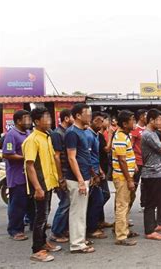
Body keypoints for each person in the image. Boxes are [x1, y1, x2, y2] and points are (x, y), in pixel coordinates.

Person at [23, 107, 61, 262]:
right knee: (40, 218)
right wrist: (38, 188)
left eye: (49, 118)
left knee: (45, 215)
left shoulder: (47, 137)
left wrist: (57, 180)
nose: (49, 121)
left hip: (49, 182)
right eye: (46, 118)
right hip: (39, 185)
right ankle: (37, 249)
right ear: (37, 121)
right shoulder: (32, 140)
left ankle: (43, 243)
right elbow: (29, 166)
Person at [65, 103, 95, 254]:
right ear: (77, 115)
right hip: (77, 179)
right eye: (87, 113)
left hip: (84, 176)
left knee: (82, 211)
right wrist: (81, 180)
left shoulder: (83, 131)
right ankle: (76, 244)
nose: (90, 116)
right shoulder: (72, 133)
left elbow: (85, 154)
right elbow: (72, 158)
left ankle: (80, 239)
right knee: (77, 212)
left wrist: (90, 174)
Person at [2, 110, 33, 241]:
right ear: (18, 121)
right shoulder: (11, 135)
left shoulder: (28, 133)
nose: (29, 121)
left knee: (31, 202)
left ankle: (33, 222)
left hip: (29, 175)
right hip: (17, 175)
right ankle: (15, 230)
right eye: (26, 118)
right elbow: (7, 154)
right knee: (17, 204)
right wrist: (25, 157)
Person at [140, 109, 161, 240]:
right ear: (151, 120)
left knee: (156, 200)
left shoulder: (152, 133)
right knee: (151, 203)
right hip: (151, 173)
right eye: (158, 119)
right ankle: (149, 231)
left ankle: (154, 225)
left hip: (156, 172)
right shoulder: (148, 134)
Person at [112, 110, 138, 246]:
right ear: (124, 123)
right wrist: (129, 179)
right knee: (122, 206)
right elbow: (122, 160)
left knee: (125, 204)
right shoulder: (120, 137)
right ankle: (121, 236)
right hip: (122, 177)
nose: (133, 123)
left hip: (125, 175)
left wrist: (133, 166)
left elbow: (126, 157)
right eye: (131, 120)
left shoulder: (124, 135)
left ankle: (124, 230)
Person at [50, 109, 74, 243]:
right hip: (63, 173)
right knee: (65, 203)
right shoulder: (58, 134)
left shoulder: (67, 132)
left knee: (67, 203)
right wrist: (60, 177)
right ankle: (56, 232)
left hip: (67, 172)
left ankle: (63, 229)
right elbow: (57, 157)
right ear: (66, 119)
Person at [85, 111, 106, 239]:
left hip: (96, 170)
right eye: (97, 120)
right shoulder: (88, 135)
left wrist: (100, 170)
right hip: (90, 173)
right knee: (96, 200)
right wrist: (94, 174)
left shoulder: (96, 135)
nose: (100, 123)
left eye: (102, 120)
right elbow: (86, 156)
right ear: (91, 121)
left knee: (98, 199)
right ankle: (91, 228)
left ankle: (94, 224)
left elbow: (95, 155)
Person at [97, 113, 113, 229]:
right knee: (104, 195)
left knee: (103, 194)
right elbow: (107, 149)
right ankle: (94, 217)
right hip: (99, 169)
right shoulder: (98, 136)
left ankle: (100, 220)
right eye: (105, 120)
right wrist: (111, 135)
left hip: (102, 167)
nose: (107, 122)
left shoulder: (100, 135)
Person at [130, 109, 147, 192]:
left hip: (146, 161)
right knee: (135, 183)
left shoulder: (147, 128)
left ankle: (144, 203)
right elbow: (130, 146)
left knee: (146, 184)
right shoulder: (135, 129)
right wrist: (133, 162)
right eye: (146, 115)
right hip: (137, 161)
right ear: (141, 117)